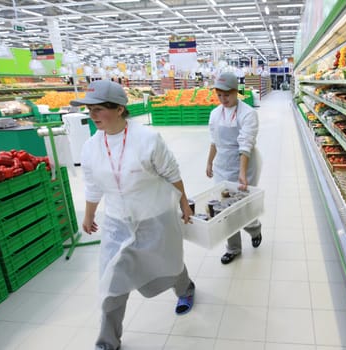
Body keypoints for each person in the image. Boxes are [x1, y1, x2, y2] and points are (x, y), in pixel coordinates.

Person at [71, 80, 195, 350]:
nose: (92, 115)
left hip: (155, 217)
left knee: (168, 264)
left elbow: (172, 174)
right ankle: (107, 342)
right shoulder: (91, 147)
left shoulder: (148, 140)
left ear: (118, 109)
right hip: (117, 223)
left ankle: (185, 289)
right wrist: (89, 215)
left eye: (98, 109)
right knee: (112, 282)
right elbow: (93, 185)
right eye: (88, 109)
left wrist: (184, 203)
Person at [206, 72, 262, 265]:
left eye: (227, 95)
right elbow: (214, 141)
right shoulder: (215, 114)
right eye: (219, 95)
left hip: (244, 164)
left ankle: (254, 229)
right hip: (222, 165)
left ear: (236, 92)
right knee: (226, 210)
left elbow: (245, 145)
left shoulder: (248, 114)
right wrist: (209, 162)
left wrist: (242, 173)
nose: (223, 100)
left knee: (242, 208)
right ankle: (234, 248)